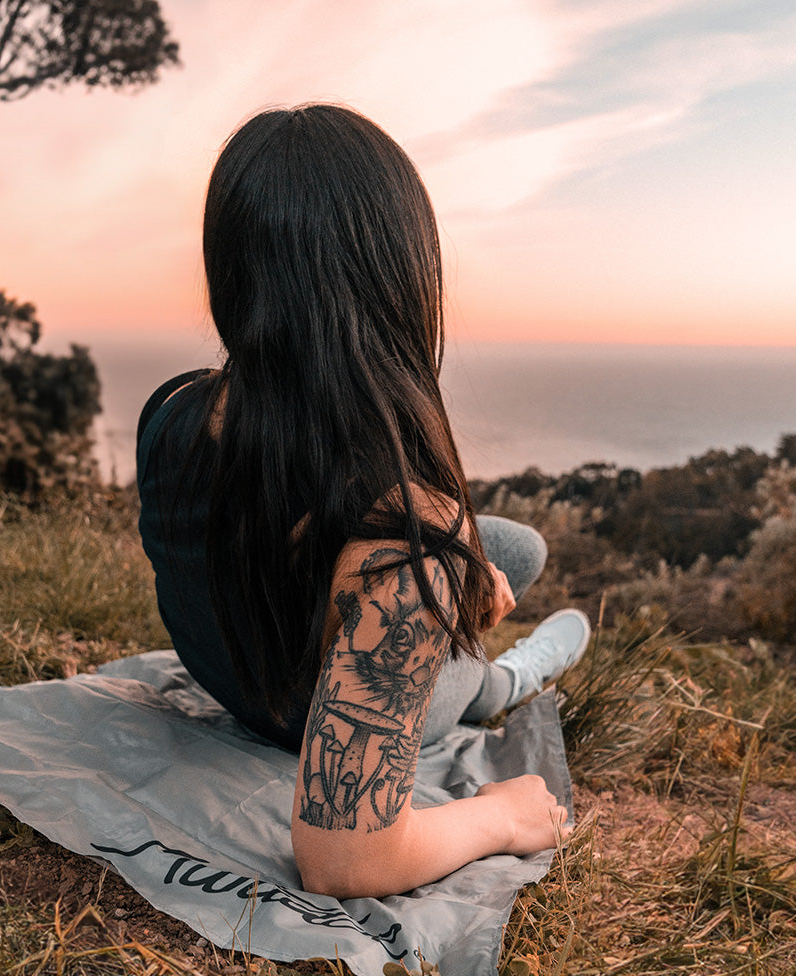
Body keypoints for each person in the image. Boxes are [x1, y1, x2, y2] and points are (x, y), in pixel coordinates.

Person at [137, 104, 591, 900]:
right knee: (465, 587)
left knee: (512, 551)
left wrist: (454, 569)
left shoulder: (172, 409)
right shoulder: (405, 539)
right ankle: (503, 681)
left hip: (229, 663)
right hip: (296, 707)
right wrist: (503, 814)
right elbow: (345, 863)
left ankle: (471, 618)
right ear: (400, 278)